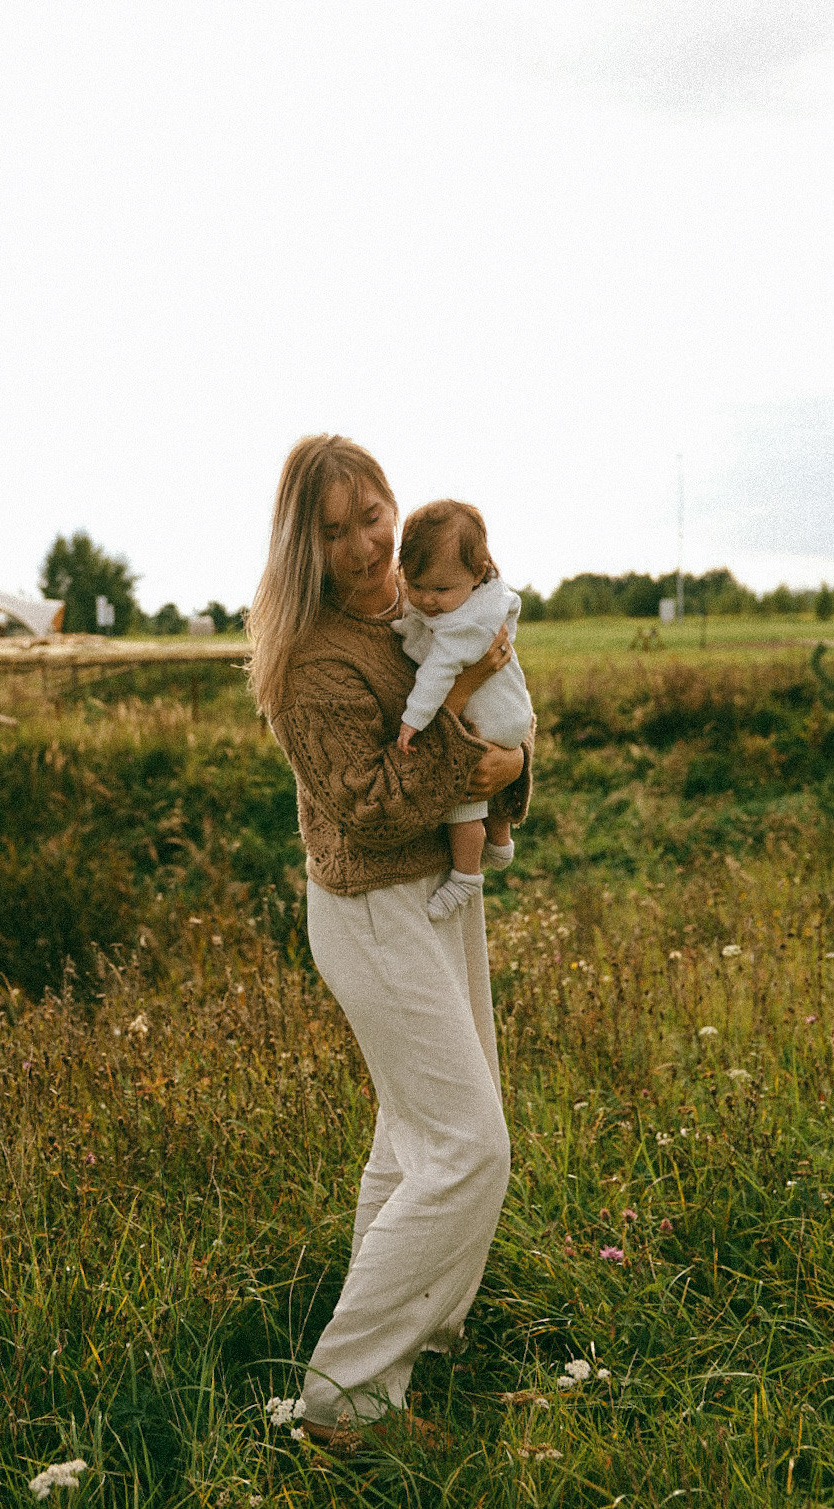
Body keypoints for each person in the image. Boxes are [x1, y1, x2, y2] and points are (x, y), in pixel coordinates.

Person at [248, 434, 534, 1449]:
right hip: (372, 911)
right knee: (469, 1148)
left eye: (372, 514)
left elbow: (495, 718)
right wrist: (468, 735)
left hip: (435, 900)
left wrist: (496, 748)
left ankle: (417, 1344)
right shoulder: (305, 665)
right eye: (336, 530)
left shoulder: (414, 609)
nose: (366, 542)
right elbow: (368, 809)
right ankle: (345, 1403)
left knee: (415, 1139)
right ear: (305, 548)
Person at [393, 499, 534, 922]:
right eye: (416, 586)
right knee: (490, 779)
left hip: (492, 718)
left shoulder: (466, 623)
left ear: (476, 575)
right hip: (513, 712)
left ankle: (466, 875)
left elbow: (436, 672)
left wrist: (412, 719)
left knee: (463, 792)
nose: (427, 600)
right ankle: (501, 840)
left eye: (440, 590)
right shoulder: (482, 597)